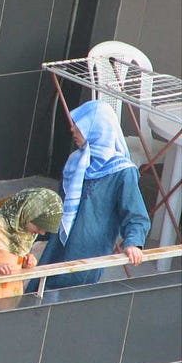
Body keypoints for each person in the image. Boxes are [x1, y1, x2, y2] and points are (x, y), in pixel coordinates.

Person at [26, 100, 151, 292]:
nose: (73, 130)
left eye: (81, 126)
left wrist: (133, 243)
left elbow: (136, 215)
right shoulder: (77, 162)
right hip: (58, 245)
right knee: (39, 289)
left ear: (97, 129)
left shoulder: (122, 172)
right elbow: (59, 204)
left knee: (70, 297)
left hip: (87, 251)